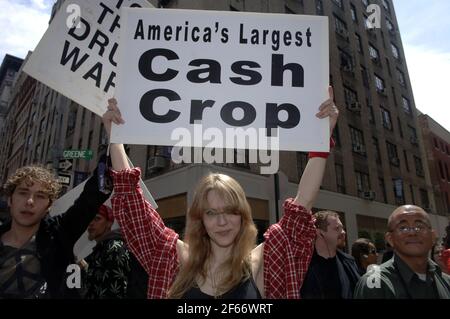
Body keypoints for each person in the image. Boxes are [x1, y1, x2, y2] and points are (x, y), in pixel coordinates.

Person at [102, 87, 339, 299]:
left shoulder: (260, 264)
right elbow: (133, 204)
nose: (222, 221)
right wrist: (116, 139)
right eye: (211, 212)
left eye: (230, 211)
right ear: (200, 219)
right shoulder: (174, 258)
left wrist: (320, 139)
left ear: (243, 217)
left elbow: (303, 203)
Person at [0, 165, 110, 298]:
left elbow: (94, 195)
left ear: (49, 206)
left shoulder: (58, 235)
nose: (30, 201)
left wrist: (114, 148)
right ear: (10, 200)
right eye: (23, 193)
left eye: (40, 196)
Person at [354, 205, 450, 299]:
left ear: (433, 236)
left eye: (420, 226)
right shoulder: (376, 283)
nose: (412, 233)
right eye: (403, 228)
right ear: (390, 239)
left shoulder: (446, 281)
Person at [300, 211, 360, 299]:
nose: (343, 232)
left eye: (342, 228)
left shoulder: (349, 262)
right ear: (319, 232)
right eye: (337, 228)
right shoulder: (303, 265)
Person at [82, 204, 131, 299]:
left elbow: (114, 293)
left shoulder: (114, 249)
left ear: (109, 223)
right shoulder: (100, 249)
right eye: (89, 219)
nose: (91, 223)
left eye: (97, 218)